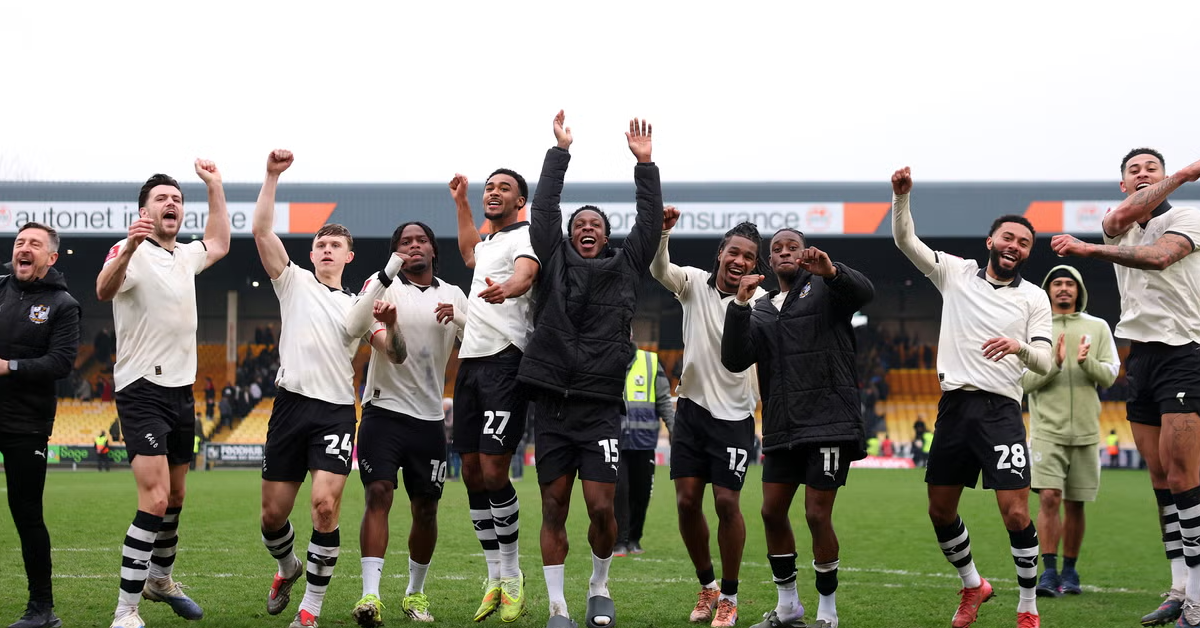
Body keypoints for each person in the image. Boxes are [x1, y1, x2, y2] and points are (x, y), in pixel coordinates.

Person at [891, 166, 1053, 628]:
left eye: (1023, 243)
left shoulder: (1034, 299)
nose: (1014, 246)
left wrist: (1018, 346)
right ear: (990, 241)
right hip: (955, 408)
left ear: (1026, 253)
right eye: (1008, 237)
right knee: (940, 509)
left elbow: (1045, 362)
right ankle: (973, 584)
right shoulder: (956, 274)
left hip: (1001, 410)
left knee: (1016, 511)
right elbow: (906, 242)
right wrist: (902, 198)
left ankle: (1027, 607)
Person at [518, 112, 662, 628]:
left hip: (600, 408)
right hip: (553, 406)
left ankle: (599, 586)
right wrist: (560, 153)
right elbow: (544, 209)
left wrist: (644, 166)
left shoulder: (627, 267)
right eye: (579, 225)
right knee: (554, 507)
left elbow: (648, 225)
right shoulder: (552, 258)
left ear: (606, 237)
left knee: (603, 508)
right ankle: (558, 607)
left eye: (595, 226)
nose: (585, 230)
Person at [1050, 148, 1200, 626]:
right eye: (1132, 170)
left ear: (1166, 178)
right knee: (1160, 480)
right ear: (1121, 185)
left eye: (1149, 168)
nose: (1141, 174)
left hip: (1185, 351)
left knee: (1184, 478)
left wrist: (1181, 175)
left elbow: (1159, 257)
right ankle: (1178, 587)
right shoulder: (1117, 221)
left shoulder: (1188, 216)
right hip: (1143, 358)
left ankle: (1199, 595)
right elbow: (1121, 220)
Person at [97, 160, 231, 628]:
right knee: (153, 500)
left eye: (176, 198)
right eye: (161, 198)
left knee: (175, 497)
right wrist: (129, 247)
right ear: (143, 211)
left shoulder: (184, 255)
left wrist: (214, 186)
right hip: (142, 388)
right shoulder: (129, 249)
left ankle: (160, 579)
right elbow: (102, 289)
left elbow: (218, 242)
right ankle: (126, 610)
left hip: (181, 390)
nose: (172, 203)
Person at [722, 228, 874, 628]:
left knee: (816, 516)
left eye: (793, 247)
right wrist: (739, 305)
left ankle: (828, 612)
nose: (785, 252)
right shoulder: (763, 307)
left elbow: (864, 293)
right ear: (769, 262)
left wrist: (834, 271)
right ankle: (788, 606)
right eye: (777, 249)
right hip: (781, 427)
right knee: (771, 512)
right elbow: (736, 359)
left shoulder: (827, 290)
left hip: (828, 425)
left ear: (804, 253)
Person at [250, 150, 376, 628]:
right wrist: (271, 177)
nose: (326, 249)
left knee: (325, 506)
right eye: (320, 243)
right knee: (271, 518)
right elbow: (262, 231)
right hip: (290, 406)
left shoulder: (360, 303)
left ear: (348, 256)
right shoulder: (293, 283)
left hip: (336, 412)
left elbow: (394, 349)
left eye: (334, 244)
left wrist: (387, 327)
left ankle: (310, 610)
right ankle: (287, 568)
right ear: (310, 253)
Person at [346, 221, 468, 626]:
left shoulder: (453, 294)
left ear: (433, 249)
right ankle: (370, 595)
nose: (413, 246)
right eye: (404, 242)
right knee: (378, 493)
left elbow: (482, 341)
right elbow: (363, 327)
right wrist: (388, 302)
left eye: (420, 240)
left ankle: (415, 594)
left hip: (430, 417)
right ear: (394, 250)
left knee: (426, 510)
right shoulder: (381, 286)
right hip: (383, 411)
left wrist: (462, 319)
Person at [649, 204, 767, 626]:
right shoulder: (694, 284)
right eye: (733, 252)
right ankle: (708, 587)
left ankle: (730, 597)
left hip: (735, 418)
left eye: (749, 257)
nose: (739, 261)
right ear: (721, 253)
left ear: (755, 265)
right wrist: (663, 234)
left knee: (726, 503)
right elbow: (659, 269)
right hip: (692, 410)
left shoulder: (762, 303)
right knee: (684, 502)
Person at [448, 146, 540, 623]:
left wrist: (511, 287)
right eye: (490, 186)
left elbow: (527, 272)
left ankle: (512, 573)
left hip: (506, 363)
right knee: (469, 471)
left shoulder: (524, 237)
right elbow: (468, 252)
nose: (494, 192)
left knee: (494, 471)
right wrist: (462, 202)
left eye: (504, 188)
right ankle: (491, 578)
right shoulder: (487, 243)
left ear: (520, 200)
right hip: (470, 363)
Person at [1019, 265, 1118, 598]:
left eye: (1069, 284)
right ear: (1048, 290)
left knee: (1076, 504)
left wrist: (1086, 362)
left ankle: (1071, 572)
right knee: (1049, 498)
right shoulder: (1036, 327)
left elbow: (1110, 376)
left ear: (1079, 290)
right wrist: (1056, 364)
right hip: (1047, 430)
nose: (1063, 288)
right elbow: (1025, 382)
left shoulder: (1098, 327)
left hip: (1087, 432)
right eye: (1057, 283)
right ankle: (1048, 573)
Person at [0, 222, 80, 628]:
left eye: (33, 244)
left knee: (26, 512)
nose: (23, 248)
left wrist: (8, 367)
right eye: (19, 242)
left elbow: (61, 363)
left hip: (26, 422)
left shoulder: (63, 304)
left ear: (50, 257)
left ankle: (42, 610)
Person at [613, 344, 675, 557]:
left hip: (644, 441)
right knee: (619, 491)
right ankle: (619, 540)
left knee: (641, 493)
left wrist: (673, 428)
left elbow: (664, 399)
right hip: (615, 440)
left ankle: (634, 539)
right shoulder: (606, 358)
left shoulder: (650, 361)